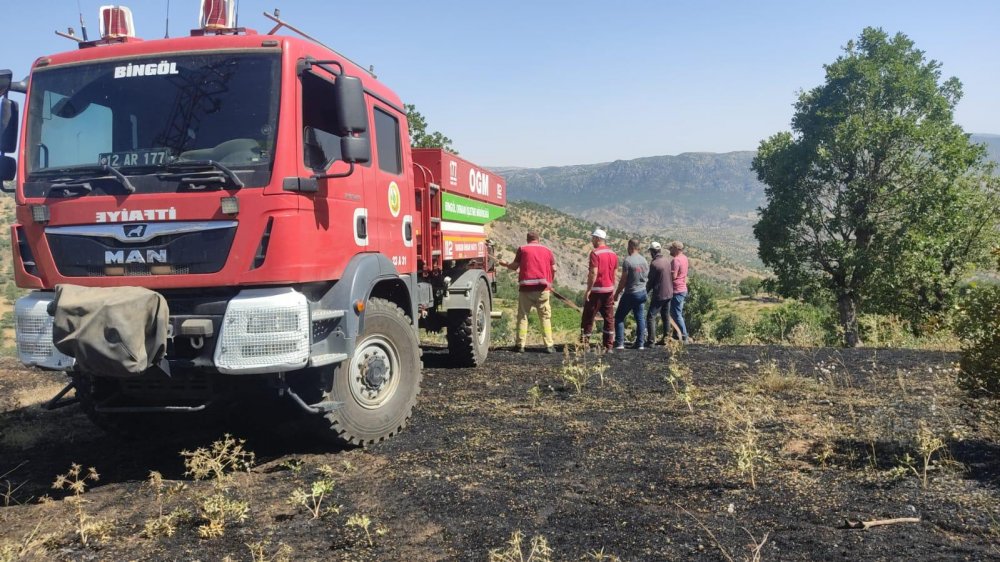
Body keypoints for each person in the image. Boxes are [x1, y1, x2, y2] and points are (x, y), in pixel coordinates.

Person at [501, 232, 557, 353]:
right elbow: (554, 269)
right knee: (545, 317)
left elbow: (514, 266)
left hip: (526, 289)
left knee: (523, 316)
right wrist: (550, 283)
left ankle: (520, 345)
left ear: (527, 239)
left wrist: (506, 264)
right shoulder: (547, 250)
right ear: (538, 239)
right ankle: (549, 345)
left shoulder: (522, 249)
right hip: (543, 290)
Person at [581, 228, 618, 352]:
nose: (592, 240)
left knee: (588, 317)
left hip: (597, 290)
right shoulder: (613, 253)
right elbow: (615, 272)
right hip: (609, 290)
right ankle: (609, 346)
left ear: (598, 239)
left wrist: (588, 290)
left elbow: (593, 272)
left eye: (593, 238)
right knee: (609, 318)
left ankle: (585, 344)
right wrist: (613, 287)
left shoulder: (595, 253)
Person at [613, 238, 649, 349]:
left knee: (619, 317)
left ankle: (619, 343)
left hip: (631, 293)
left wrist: (617, 293)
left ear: (630, 247)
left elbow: (623, 281)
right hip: (642, 292)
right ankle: (640, 343)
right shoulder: (644, 260)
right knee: (640, 318)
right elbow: (645, 276)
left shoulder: (628, 261)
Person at [644, 241, 673, 346]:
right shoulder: (666, 261)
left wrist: (645, 293)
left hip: (660, 294)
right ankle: (666, 339)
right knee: (665, 316)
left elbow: (650, 282)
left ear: (652, 252)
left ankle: (651, 341)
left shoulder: (654, 263)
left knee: (651, 316)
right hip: (669, 293)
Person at [669, 240, 689, 342]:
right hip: (683, 289)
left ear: (676, 249)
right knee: (676, 313)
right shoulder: (685, 258)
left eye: (671, 248)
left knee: (676, 314)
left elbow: (673, 276)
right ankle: (677, 335)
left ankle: (684, 336)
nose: (670, 249)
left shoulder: (676, 260)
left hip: (676, 290)